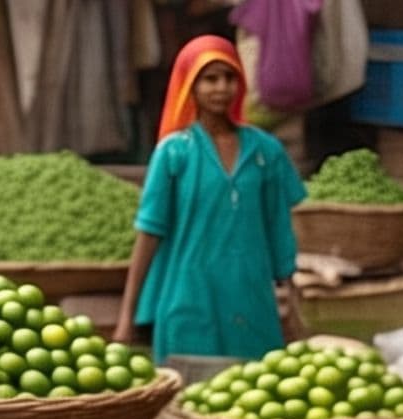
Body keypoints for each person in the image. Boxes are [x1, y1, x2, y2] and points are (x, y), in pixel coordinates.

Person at [113, 35, 305, 364]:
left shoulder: (265, 151)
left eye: (230, 77)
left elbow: (278, 227)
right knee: (189, 398)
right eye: (210, 79)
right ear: (190, 85)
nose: (221, 88)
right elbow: (149, 234)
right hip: (188, 296)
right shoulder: (174, 152)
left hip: (251, 298)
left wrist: (293, 302)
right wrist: (126, 316)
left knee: (256, 396)